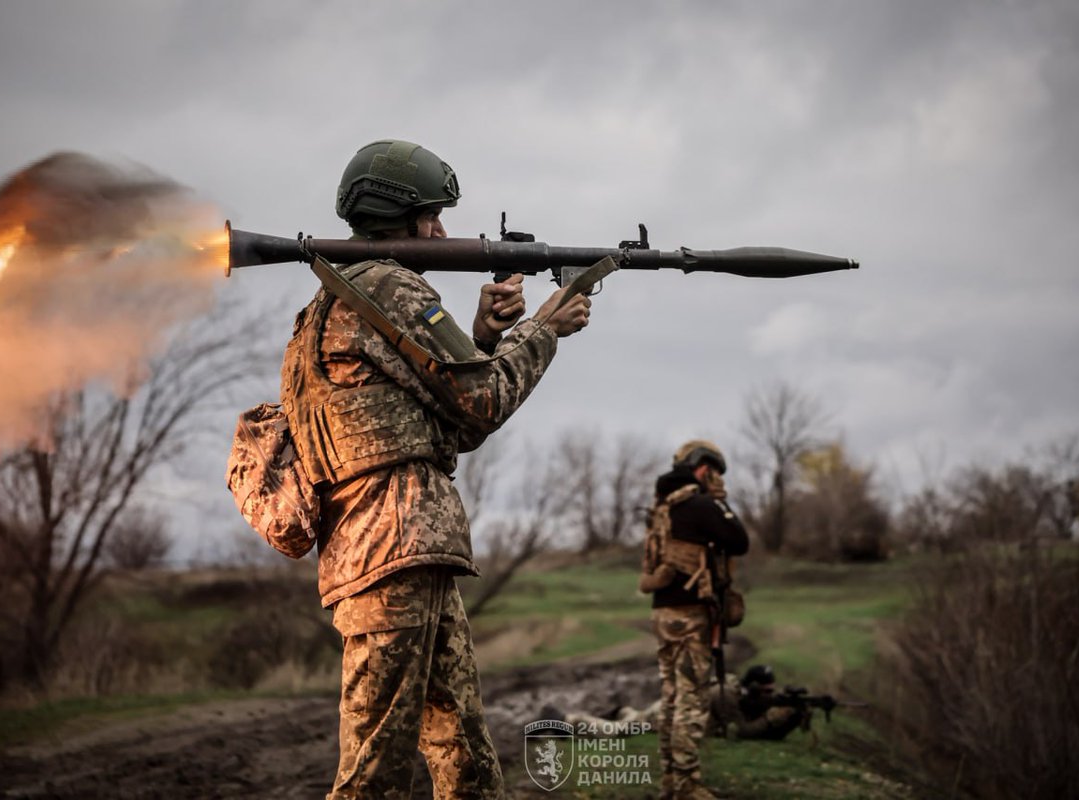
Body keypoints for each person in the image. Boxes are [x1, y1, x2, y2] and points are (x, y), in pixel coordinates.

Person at [281, 139, 593, 799]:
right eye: (433, 217)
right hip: (394, 552)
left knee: (467, 761)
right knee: (373, 775)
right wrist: (544, 328)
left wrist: (483, 338)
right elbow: (483, 403)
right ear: (401, 216)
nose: (445, 233)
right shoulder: (391, 288)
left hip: (393, 554)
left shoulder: (329, 303)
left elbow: (445, 421)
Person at [638, 440, 749, 800]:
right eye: (714, 472)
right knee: (691, 698)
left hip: (663, 612)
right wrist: (719, 501)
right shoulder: (701, 505)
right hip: (691, 614)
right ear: (704, 468)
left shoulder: (663, 507)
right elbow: (739, 540)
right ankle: (686, 784)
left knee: (671, 696)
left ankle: (670, 780)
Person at [557, 664, 810, 743]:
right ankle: (564, 721)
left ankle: (623, 710)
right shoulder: (726, 695)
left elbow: (763, 732)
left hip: (676, 713)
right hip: (668, 716)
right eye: (765, 691)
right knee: (617, 732)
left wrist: (791, 719)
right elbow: (739, 732)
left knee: (631, 721)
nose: (769, 695)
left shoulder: (743, 696)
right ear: (753, 687)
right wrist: (770, 719)